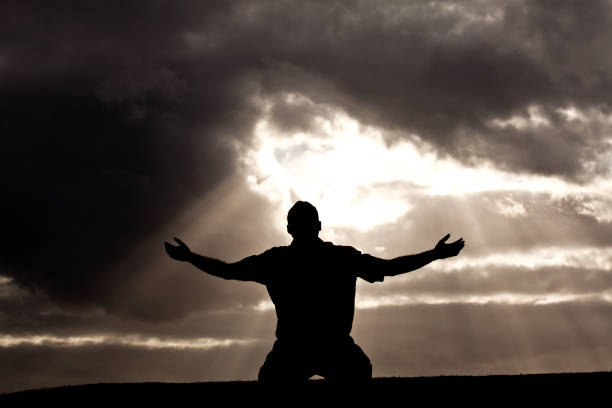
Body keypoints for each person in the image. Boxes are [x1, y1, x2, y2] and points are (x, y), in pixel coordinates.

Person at [164, 201, 465, 381]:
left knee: (280, 379)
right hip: (326, 348)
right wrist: (433, 255)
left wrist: (191, 257)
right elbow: (388, 267)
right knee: (357, 370)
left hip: (299, 349)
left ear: (290, 228)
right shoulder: (339, 257)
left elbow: (228, 271)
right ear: (318, 226)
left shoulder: (278, 260)